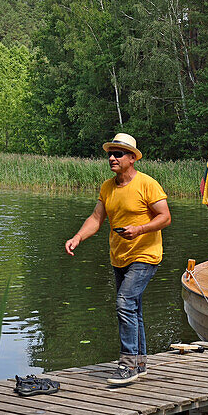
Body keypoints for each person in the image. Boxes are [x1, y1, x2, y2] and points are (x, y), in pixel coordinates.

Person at [65, 133, 171, 385]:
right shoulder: (107, 187)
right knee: (133, 307)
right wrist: (78, 237)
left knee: (124, 302)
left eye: (118, 154)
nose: (112, 158)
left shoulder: (147, 184)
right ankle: (141, 362)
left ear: (132, 158)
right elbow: (96, 219)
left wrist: (140, 229)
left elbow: (165, 217)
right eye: (110, 154)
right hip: (119, 256)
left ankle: (127, 364)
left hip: (146, 255)